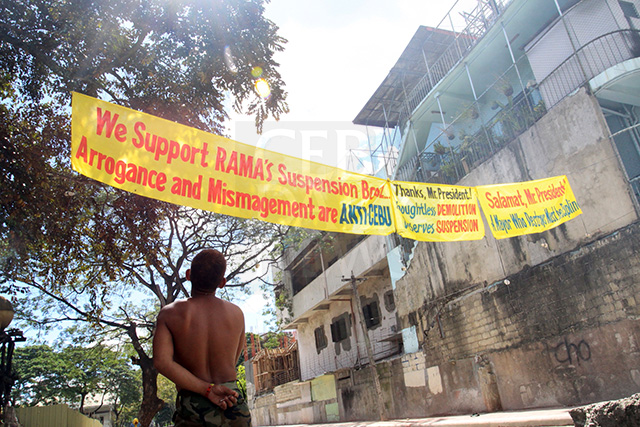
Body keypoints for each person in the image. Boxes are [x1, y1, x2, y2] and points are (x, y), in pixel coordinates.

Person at [153, 249, 250, 427]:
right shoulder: (236, 313)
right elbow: (233, 359)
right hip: (231, 400)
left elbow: (162, 362)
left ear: (188, 275)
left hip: (194, 403)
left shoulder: (169, 314)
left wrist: (207, 390)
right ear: (222, 283)